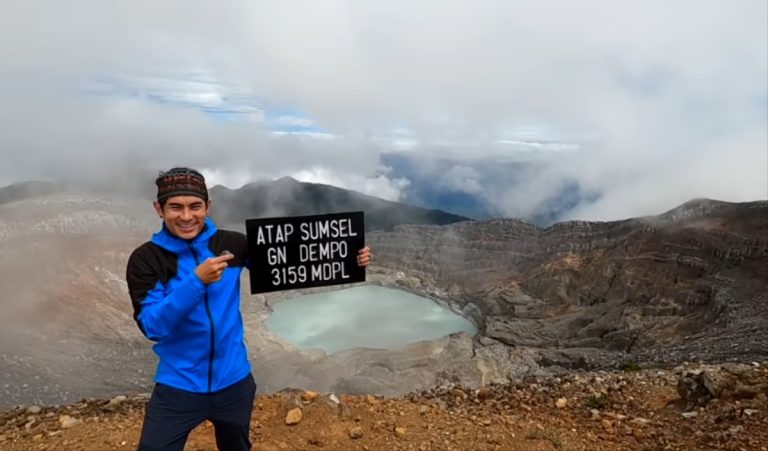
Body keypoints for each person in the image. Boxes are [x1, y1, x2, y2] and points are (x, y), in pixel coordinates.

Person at [126, 167, 371, 451]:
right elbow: (153, 326)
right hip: (178, 385)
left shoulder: (232, 244)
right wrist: (196, 281)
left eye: (195, 206)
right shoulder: (146, 260)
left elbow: (293, 263)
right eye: (175, 207)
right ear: (159, 209)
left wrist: (350, 257)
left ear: (208, 207)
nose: (186, 216)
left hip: (234, 381)